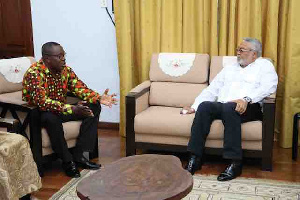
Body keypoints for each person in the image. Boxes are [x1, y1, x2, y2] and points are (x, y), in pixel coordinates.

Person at [181, 37, 278, 181]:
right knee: (205, 106)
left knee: (229, 108)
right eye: (238, 49)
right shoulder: (230, 68)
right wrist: (194, 106)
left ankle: (235, 162)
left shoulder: (264, 66)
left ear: (254, 54)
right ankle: (195, 157)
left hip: (250, 106)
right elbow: (212, 89)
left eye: (241, 50)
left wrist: (246, 99)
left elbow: (269, 87)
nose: (237, 53)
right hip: (226, 105)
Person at [22, 42, 117, 178]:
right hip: (39, 114)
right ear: (47, 59)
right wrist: (72, 109)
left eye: (64, 55)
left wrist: (98, 97)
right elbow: (42, 102)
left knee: (94, 106)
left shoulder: (66, 70)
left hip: (61, 109)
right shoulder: (34, 74)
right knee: (50, 118)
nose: (64, 59)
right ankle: (67, 161)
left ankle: (79, 155)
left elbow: (80, 88)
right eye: (59, 56)